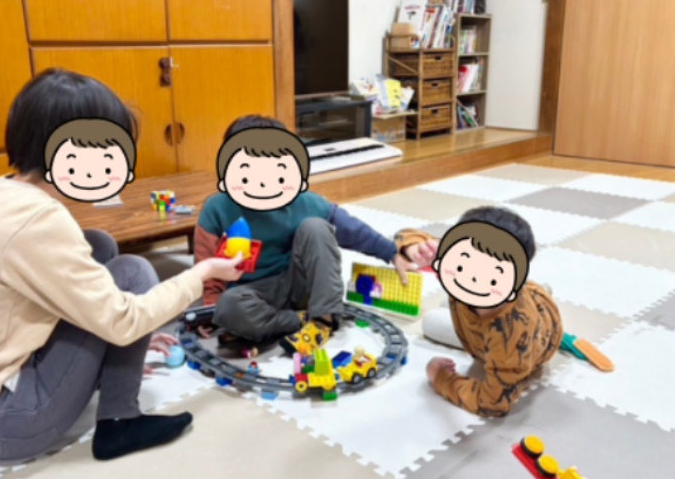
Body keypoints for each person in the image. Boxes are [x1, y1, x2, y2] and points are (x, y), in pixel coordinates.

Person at [0, 69, 243, 463]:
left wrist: (123, 349)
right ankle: (120, 422)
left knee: (97, 245)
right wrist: (201, 274)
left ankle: (111, 384)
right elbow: (125, 321)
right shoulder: (39, 220)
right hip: (0, 422)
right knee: (134, 274)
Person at [194, 116, 433, 352]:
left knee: (316, 227)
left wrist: (392, 253)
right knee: (228, 307)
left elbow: (351, 230)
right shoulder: (217, 207)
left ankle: (324, 319)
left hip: (299, 284)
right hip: (252, 293)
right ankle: (299, 320)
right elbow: (207, 265)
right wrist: (211, 309)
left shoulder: (303, 201)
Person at [397, 207, 564, 418]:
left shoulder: (511, 338)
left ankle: (541, 294)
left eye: (491, 276)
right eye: (464, 263)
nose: (473, 277)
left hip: (525, 330)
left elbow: (493, 403)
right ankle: (536, 289)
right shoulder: (459, 259)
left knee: (431, 321)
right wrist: (414, 248)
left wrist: (440, 377)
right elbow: (403, 235)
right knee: (437, 313)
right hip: (491, 310)